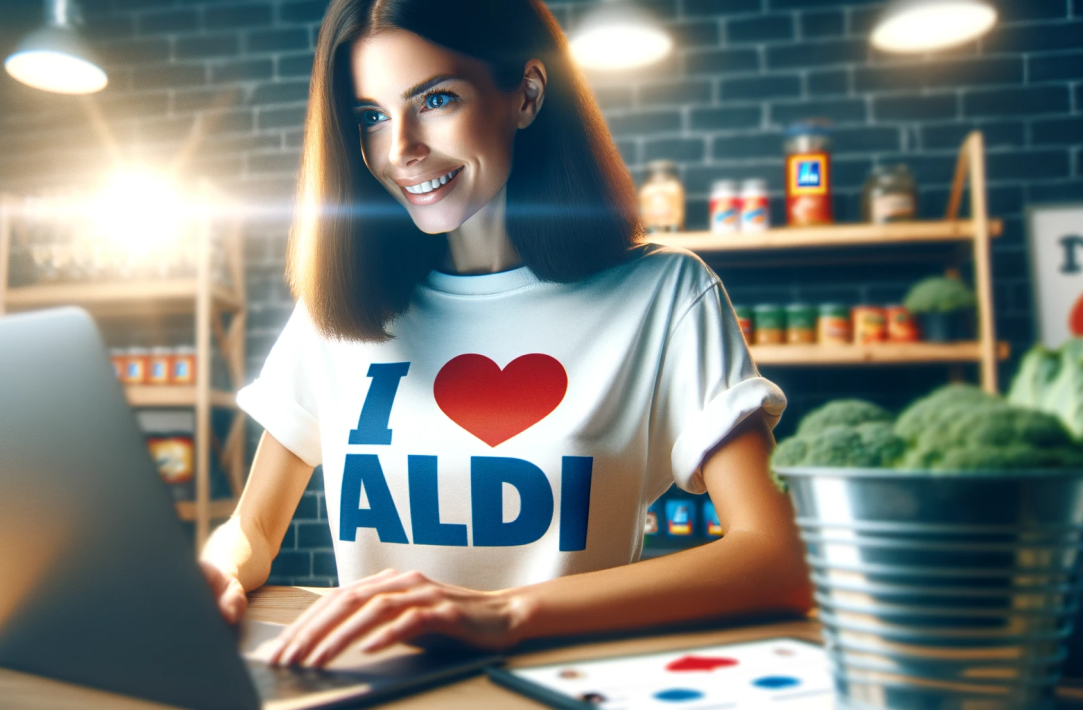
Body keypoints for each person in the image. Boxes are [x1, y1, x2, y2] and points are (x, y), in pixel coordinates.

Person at [199, 0, 811, 669]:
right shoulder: (340, 309)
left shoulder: (664, 297)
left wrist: (502, 614)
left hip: (562, 688)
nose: (400, 147)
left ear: (526, 95)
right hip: (379, 689)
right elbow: (253, 531)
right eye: (370, 116)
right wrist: (214, 571)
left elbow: (776, 559)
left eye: (434, 99)